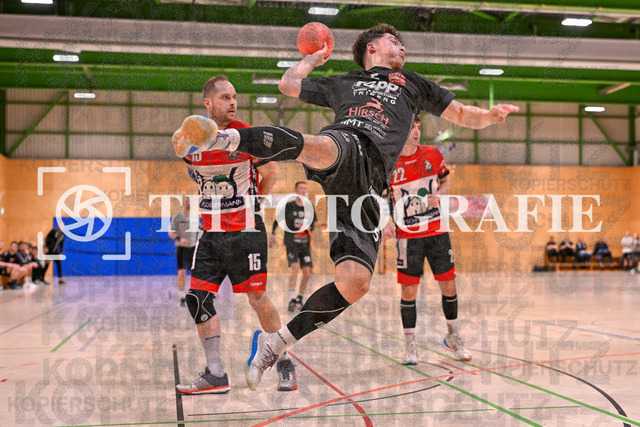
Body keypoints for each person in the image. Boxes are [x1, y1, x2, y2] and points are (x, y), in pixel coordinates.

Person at [173, 24, 518, 390]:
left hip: (368, 191)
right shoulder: (345, 83)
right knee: (319, 145)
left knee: (355, 283)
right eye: (393, 41)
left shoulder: (413, 84)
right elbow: (288, 84)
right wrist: (310, 60)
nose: (401, 46)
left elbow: (461, 114)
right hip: (348, 145)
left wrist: (489, 116)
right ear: (371, 48)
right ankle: (222, 138)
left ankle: (276, 344)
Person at [175, 75, 297, 394]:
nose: (233, 102)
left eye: (234, 97)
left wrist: (254, 203)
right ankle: (216, 374)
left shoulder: (246, 136)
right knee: (197, 298)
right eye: (225, 98)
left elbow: (270, 172)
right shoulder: (193, 141)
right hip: (211, 234)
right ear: (208, 103)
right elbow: (192, 168)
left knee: (257, 298)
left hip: (245, 232)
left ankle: (285, 362)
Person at [383, 116, 470, 364]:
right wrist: (383, 223)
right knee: (409, 290)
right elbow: (375, 196)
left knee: (449, 286)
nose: (416, 132)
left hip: (437, 231)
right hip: (408, 236)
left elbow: (446, 180)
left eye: (418, 127)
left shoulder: (432, 154)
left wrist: (440, 194)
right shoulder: (388, 162)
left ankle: (453, 336)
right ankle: (410, 346)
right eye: (412, 127)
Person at [269, 181, 317, 312]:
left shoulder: (309, 207)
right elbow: (277, 221)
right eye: (301, 188)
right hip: (292, 243)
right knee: (295, 269)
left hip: (305, 244)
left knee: (307, 273)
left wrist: (309, 228)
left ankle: (299, 299)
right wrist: (273, 235)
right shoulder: (289, 206)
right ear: (296, 191)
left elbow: (313, 224)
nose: (303, 191)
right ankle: (291, 299)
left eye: (305, 189)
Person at [169, 196, 199, 305]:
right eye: (186, 201)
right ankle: (182, 296)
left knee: (196, 273)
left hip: (193, 248)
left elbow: (201, 229)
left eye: (190, 201)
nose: (189, 203)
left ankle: (196, 294)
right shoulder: (178, 217)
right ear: (183, 204)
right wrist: (179, 238)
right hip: (181, 249)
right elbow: (170, 232)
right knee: (182, 272)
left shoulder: (195, 217)